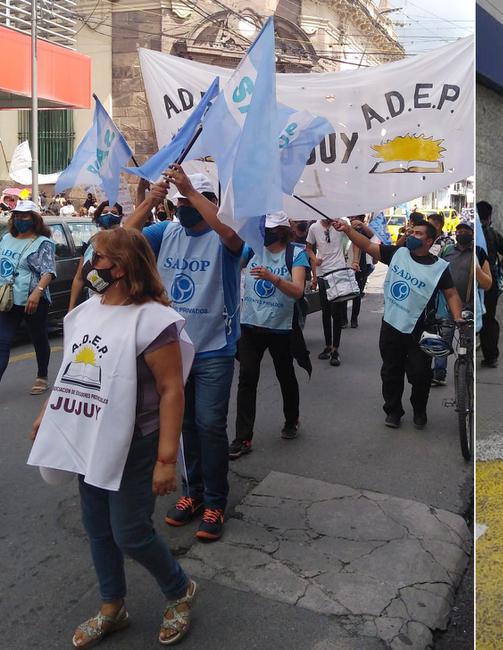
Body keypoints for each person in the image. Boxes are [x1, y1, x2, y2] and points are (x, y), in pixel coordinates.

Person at [27, 227, 198, 647]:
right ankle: (112, 607)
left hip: (135, 443)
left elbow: (171, 389)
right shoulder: (87, 311)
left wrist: (165, 459)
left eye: (98, 258)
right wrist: (48, 412)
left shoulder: (155, 321)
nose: (90, 266)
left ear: (122, 268)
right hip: (89, 434)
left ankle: (179, 589)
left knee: (130, 533)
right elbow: (71, 371)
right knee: (97, 528)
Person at [125, 165, 243, 543]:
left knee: (209, 424)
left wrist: (190, 190)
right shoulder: (166, 232)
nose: (184, 208)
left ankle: (215, 500)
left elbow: (230, 235)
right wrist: (148, 203)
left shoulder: (226, 237)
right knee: (185, 425)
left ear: (210, 202)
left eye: (192, 200)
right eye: (180, 202)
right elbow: (120, 241)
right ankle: (193, 494)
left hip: (213, 348)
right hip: (172, 350)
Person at [330, 216, 465, 428]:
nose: (411, 236)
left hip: (421, 330)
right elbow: (366, 245)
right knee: (391, 371)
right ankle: (393, 411)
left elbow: (451, 294)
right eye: (411, 232)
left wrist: (458, 317)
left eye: (418, 234)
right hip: (392, 325)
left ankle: (419, 410)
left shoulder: (439, 267)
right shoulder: (397, 254)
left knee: (420, 374)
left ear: (430, 241)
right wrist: (347, 230)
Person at [229, 212, 309, 459]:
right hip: (250, 325)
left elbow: (297, 291)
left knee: (285, 374)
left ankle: (291, 419)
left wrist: (272, 277)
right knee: (247, 378)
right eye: (264, 229)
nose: (265, 233)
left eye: (271, 229)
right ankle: (243, 437)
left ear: (282, 231)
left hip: (280, 328)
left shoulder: (295, 254)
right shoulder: (252, 249)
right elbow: (232, 267)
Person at [0, 200, 55, 394]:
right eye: (17, 216)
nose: (20, 219)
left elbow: (48, 271)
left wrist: (37, 292)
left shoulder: (43, 243)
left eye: (24, 216)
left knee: (38, 338)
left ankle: (42, 376)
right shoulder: (6, 238)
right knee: (2, 342)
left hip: (33, 301)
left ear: (34, 219)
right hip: (8, 300)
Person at [432, 217, 489, 386]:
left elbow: (487, 284)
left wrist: (477, 271)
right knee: (443, 340)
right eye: (459, 230)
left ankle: (468, 375)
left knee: (468, 344)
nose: (462, 233)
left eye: (467, 230)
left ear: (473, 233)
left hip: (470, 307)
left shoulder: (478, 253)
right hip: (447, 306)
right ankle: (439, 374)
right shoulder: (447, 250)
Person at [307, 215, 351, 366]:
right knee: (325, 312)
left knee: (336, 312)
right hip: (322, 274)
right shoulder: (314, 227)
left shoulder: (340, 225)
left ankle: (335, 349)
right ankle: (327, 346)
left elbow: (355, 238)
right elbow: (308, 247)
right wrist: (314, 259)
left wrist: (355, 260)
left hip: (338, 272)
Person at [68, 205, 124, 311]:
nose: (109, 215)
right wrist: (71, 307)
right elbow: (79, 278)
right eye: (105, 212)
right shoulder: (91, 243)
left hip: (118, 306)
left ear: (120, 217)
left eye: (113, 212)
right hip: (92, 306)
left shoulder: (126, 243)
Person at [477, 201, 503, 368]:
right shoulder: (493, 234)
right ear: (489, 217)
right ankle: (491, 356)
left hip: (474, 282)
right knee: (488, 318)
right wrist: (499, 266)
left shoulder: (474, 233)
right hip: (489, 283)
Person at [349, 217, 375, 328]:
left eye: (353, 219)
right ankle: (343, 319)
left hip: (362, 266)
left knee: (357, 294)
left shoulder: (363, 231)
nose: (351, 221)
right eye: (350, 219)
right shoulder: (344, 230)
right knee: (343, 293)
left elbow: (371, 235)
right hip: (346, 265)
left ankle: (354, 319)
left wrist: (361, 225)